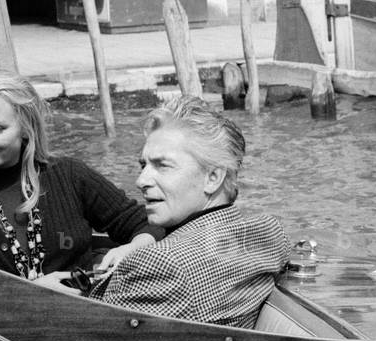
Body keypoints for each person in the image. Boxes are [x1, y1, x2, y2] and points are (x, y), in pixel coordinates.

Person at [0, 70, 160, 341]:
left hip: (82, 340)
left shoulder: (70, 176)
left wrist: (132, 247)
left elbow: (148, 223)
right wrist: (33, 295)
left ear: (26, 128)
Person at [72, 95, 287, 328]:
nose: (141, 180)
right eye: (143, 165)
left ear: (213, 178)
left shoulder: (158, 263)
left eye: (162, 165)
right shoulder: (268, 233)